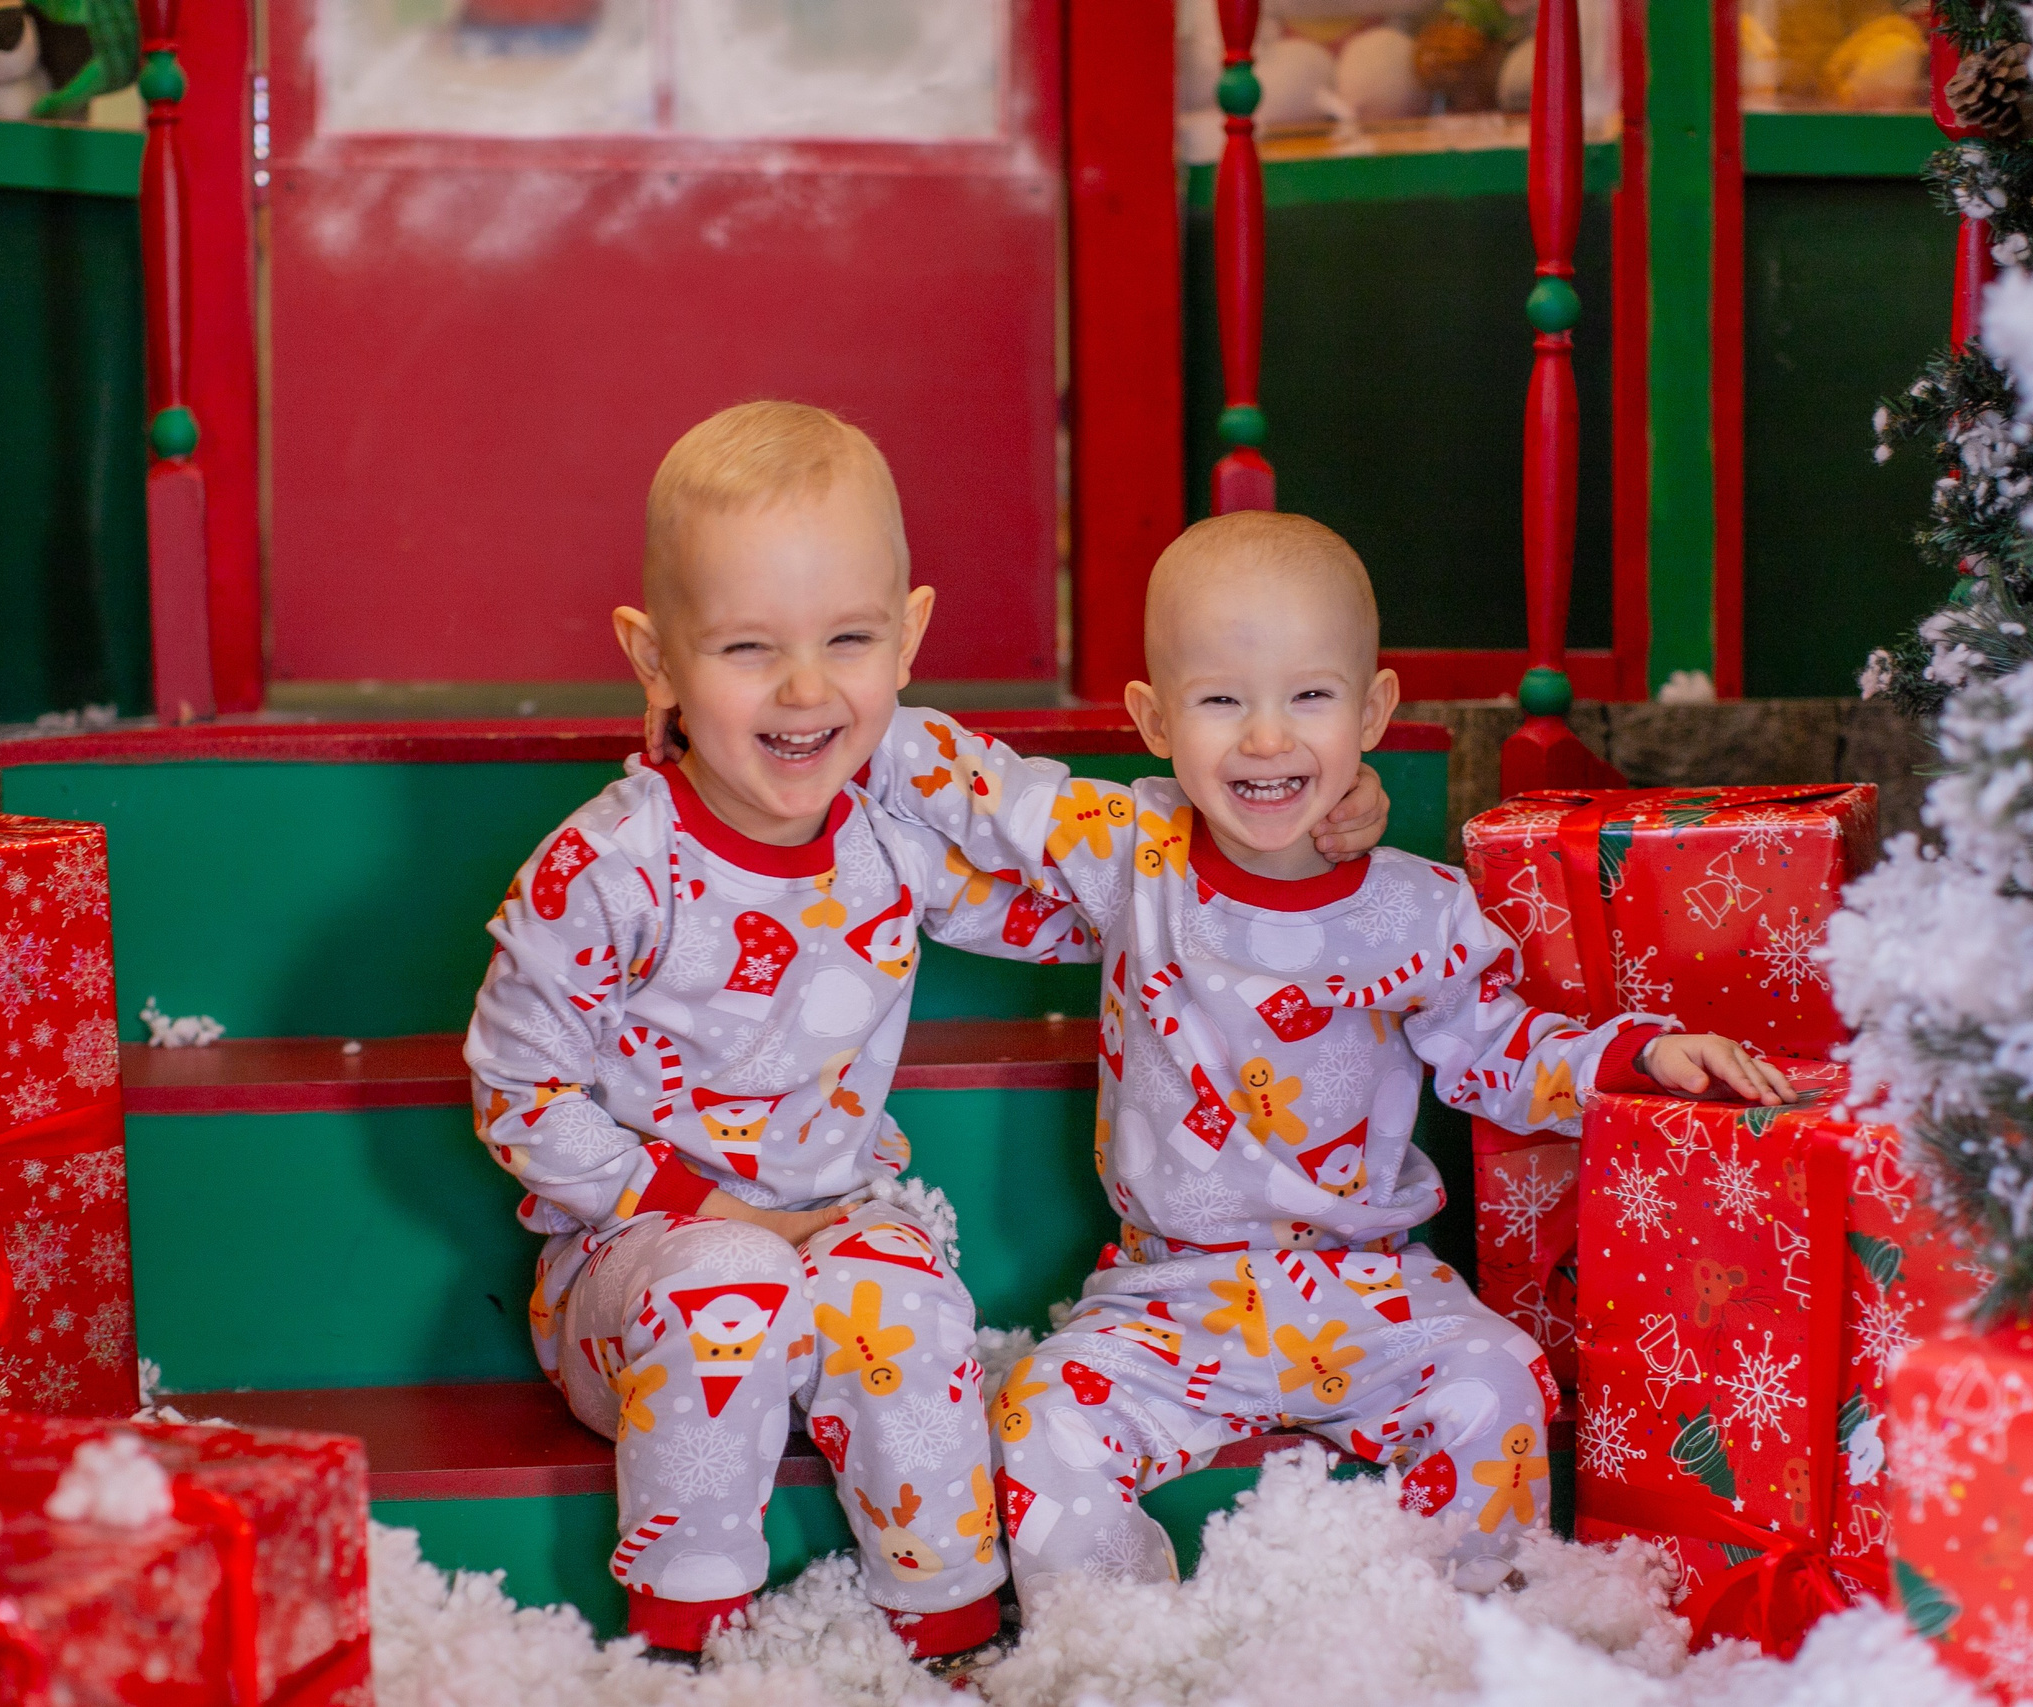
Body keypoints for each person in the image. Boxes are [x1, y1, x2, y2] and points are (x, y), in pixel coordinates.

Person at [463, 404, 1389, 1656]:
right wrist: (710, 1213)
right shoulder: (611, 868)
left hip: (834, 1228)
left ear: (907, 639)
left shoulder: (888, 844)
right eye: (746, 648)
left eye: (848, 639)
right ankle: (686, 1640)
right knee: (729, 1284)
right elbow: (521, 1092)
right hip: (635, 1274)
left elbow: (1108, 905)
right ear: (655, 658)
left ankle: (944, 1632)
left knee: (902, 1294)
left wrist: (1296, 822)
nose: (804, 689)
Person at [864, 509, 1791, 1595]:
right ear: (1154, 719)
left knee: (1498, 1381)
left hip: (1374, 1289)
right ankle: (1128, 1644)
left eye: (1309, 696)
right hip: (1170, 1295)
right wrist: (822, 703)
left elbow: (1495, 1048)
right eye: (1221, 701)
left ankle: (1454, 1636)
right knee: (1037, 1420)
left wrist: (1634, 1057)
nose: (1267, 739)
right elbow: (977, 785)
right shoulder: (1135, 852)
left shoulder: (1419, 909)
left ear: (1373, 711)